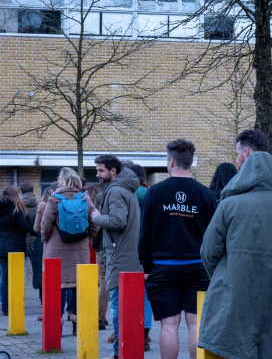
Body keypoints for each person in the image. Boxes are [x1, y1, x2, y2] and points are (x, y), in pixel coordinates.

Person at [197, 129, 272, 359]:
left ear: (246, 154)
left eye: (237, 154)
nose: (236, 160)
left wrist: (226, 277)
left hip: (235, 298)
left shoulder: (229, 206)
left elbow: (208, 253)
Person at [140, 139, 216, 359]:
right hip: (198, 267)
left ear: (171, 161)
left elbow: (145, 233)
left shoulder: (155, 192)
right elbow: (213, 235)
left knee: (169, 324)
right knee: (195, 323)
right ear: (190, 162)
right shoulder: (206, 194)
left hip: (163, 267)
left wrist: (146, 265)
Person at [90, 154, 143, 359]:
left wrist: (97, 217)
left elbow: (118, 221)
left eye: (101, 170)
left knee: (119, 307)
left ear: (113, 171)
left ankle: (118, 353)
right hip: (126, 253)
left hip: (120, 255)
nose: (97, 174)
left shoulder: (116, 191)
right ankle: (121, 351)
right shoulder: (125, 189)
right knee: (124, 306)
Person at [41, 167, 99, 336]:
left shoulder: (54, 199)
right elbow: (95, 222)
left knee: (57, 288)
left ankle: (56, 329)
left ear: (62, 180)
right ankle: (77, 326)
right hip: (80, 251)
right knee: (77, 287)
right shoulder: (85, 198)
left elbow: (45, 225)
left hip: (56, 252)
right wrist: (87, 238)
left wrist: (47, 240)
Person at [124, 161, 154, 347]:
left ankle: (128, 329)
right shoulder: (151, 194)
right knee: (146, 293)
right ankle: (145, 332)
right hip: (148, 248)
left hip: (128, 248)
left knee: (126, 291)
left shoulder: (126, 195)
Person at [0, 185, 31, 316]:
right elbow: (24, 228)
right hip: (17, 245)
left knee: (5, 278)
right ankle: (17, 306)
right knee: (18, 277)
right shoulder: (18, 207)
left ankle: (6, 308)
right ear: (16, 194)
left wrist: (3, 234)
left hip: (3, 245)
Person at [85, 184, 109, 330]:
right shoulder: (101, 202)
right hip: (101, 245)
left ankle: (97, 316)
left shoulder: (86, 205)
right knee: (103, 282)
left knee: (94, 282)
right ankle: (100, 317)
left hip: (92, 244)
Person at [34, 180, 58, 320]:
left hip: (49, 246)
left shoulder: (44, 205)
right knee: (69, 283)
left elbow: (37, 228)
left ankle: (48, 313)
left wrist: (45, 236)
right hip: (71, 247)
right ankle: (72, 314)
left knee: (49, 280)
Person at [20, 182, 42, 304]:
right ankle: (41, 297)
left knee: (21, 272)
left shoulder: (18, 207)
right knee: (38, 271)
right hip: (35, 243)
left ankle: (20, 297)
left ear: (21, 192)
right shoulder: (39, 206)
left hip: (22, 242)